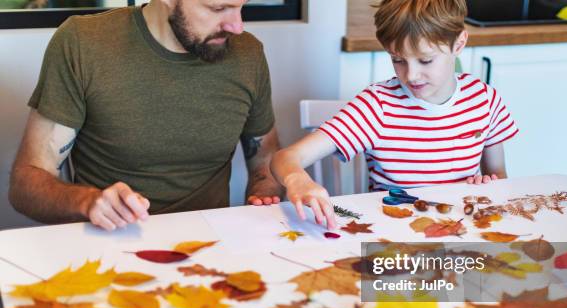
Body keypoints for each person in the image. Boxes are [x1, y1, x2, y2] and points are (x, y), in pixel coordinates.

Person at [9, 0, 283, 231]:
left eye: (241, 6)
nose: (237, 26)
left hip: (210, 249)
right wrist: (88, 202)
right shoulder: (83, 43)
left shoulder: (248, 54)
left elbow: (265, 160)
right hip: (110, 244)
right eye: (217, 8)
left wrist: (264, 198)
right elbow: (26, 184)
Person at [271, 0, 518, 230]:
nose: (411, 76)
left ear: (459, 44)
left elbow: (499, 178)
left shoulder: (484, 100)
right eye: (398, 60)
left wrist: (488, 187)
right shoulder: (377, 106)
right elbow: (285, 158)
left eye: (425, 60)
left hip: (462, 230)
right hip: (393, 233)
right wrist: (296, 179)